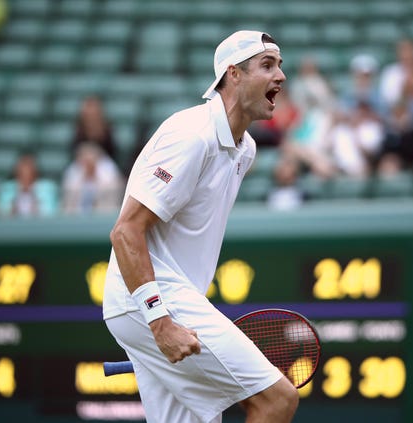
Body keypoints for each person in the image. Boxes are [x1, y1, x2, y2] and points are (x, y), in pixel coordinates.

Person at [103, 31, 298, 423]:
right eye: (267, 65)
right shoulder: (191, 135)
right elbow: (125, 231)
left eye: (280, 65)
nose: (280, 76)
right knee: (278, 399)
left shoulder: (246, 149)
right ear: (233, 75)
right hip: (150, 299)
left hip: (167, 300)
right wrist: (158, 321)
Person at [61, 142, 125, 215]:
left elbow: (115, 191)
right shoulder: (73, 171)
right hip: (76, 215)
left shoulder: (108, 170)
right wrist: (83, 176)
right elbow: (68, 196)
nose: (88, 163)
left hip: (104, 214)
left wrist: (96, 176)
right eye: (85, 160)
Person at [71, 95, 119, 166]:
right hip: (83, 164)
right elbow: (75, 149)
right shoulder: (79, 129)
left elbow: (112, 152)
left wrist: (97, 154)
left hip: (102, 164)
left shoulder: (106, 129)